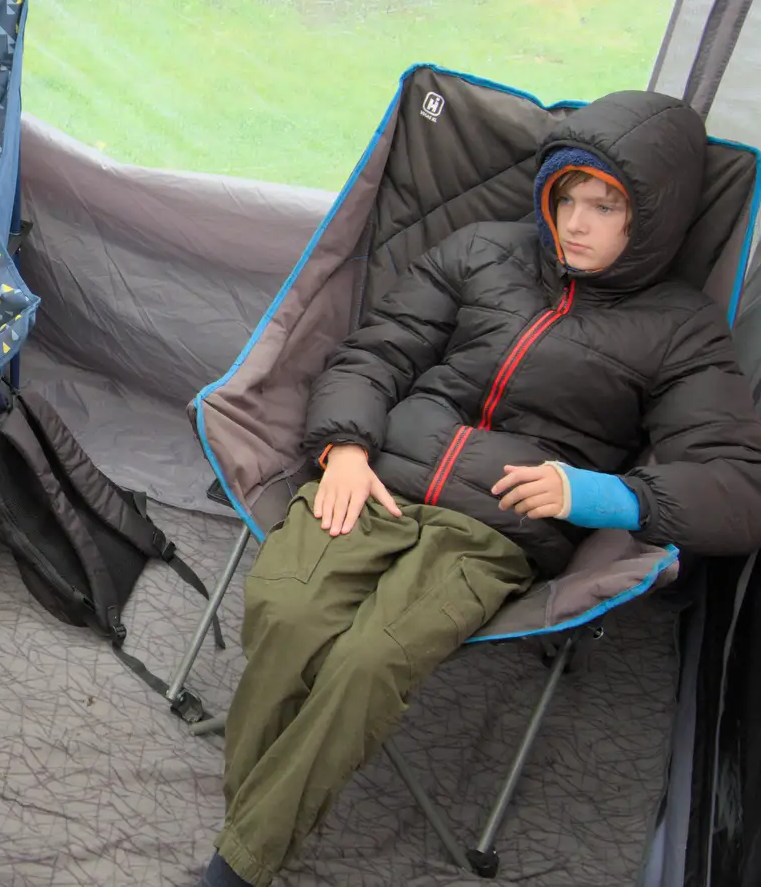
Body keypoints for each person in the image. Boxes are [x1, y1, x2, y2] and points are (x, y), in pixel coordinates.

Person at [200, 91, 761, 887]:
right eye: (568, 196)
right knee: (285, 609)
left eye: (607, 205)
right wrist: (348, 444)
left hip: (491, 532)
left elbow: (738, 487)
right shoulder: (481, 250)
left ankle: (236, 865)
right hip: (381, 478)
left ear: (656, 217)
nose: (577, 222)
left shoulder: (681, 328)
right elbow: (375, 354)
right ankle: (253, 822)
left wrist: (599, 495)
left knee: (367, 660)